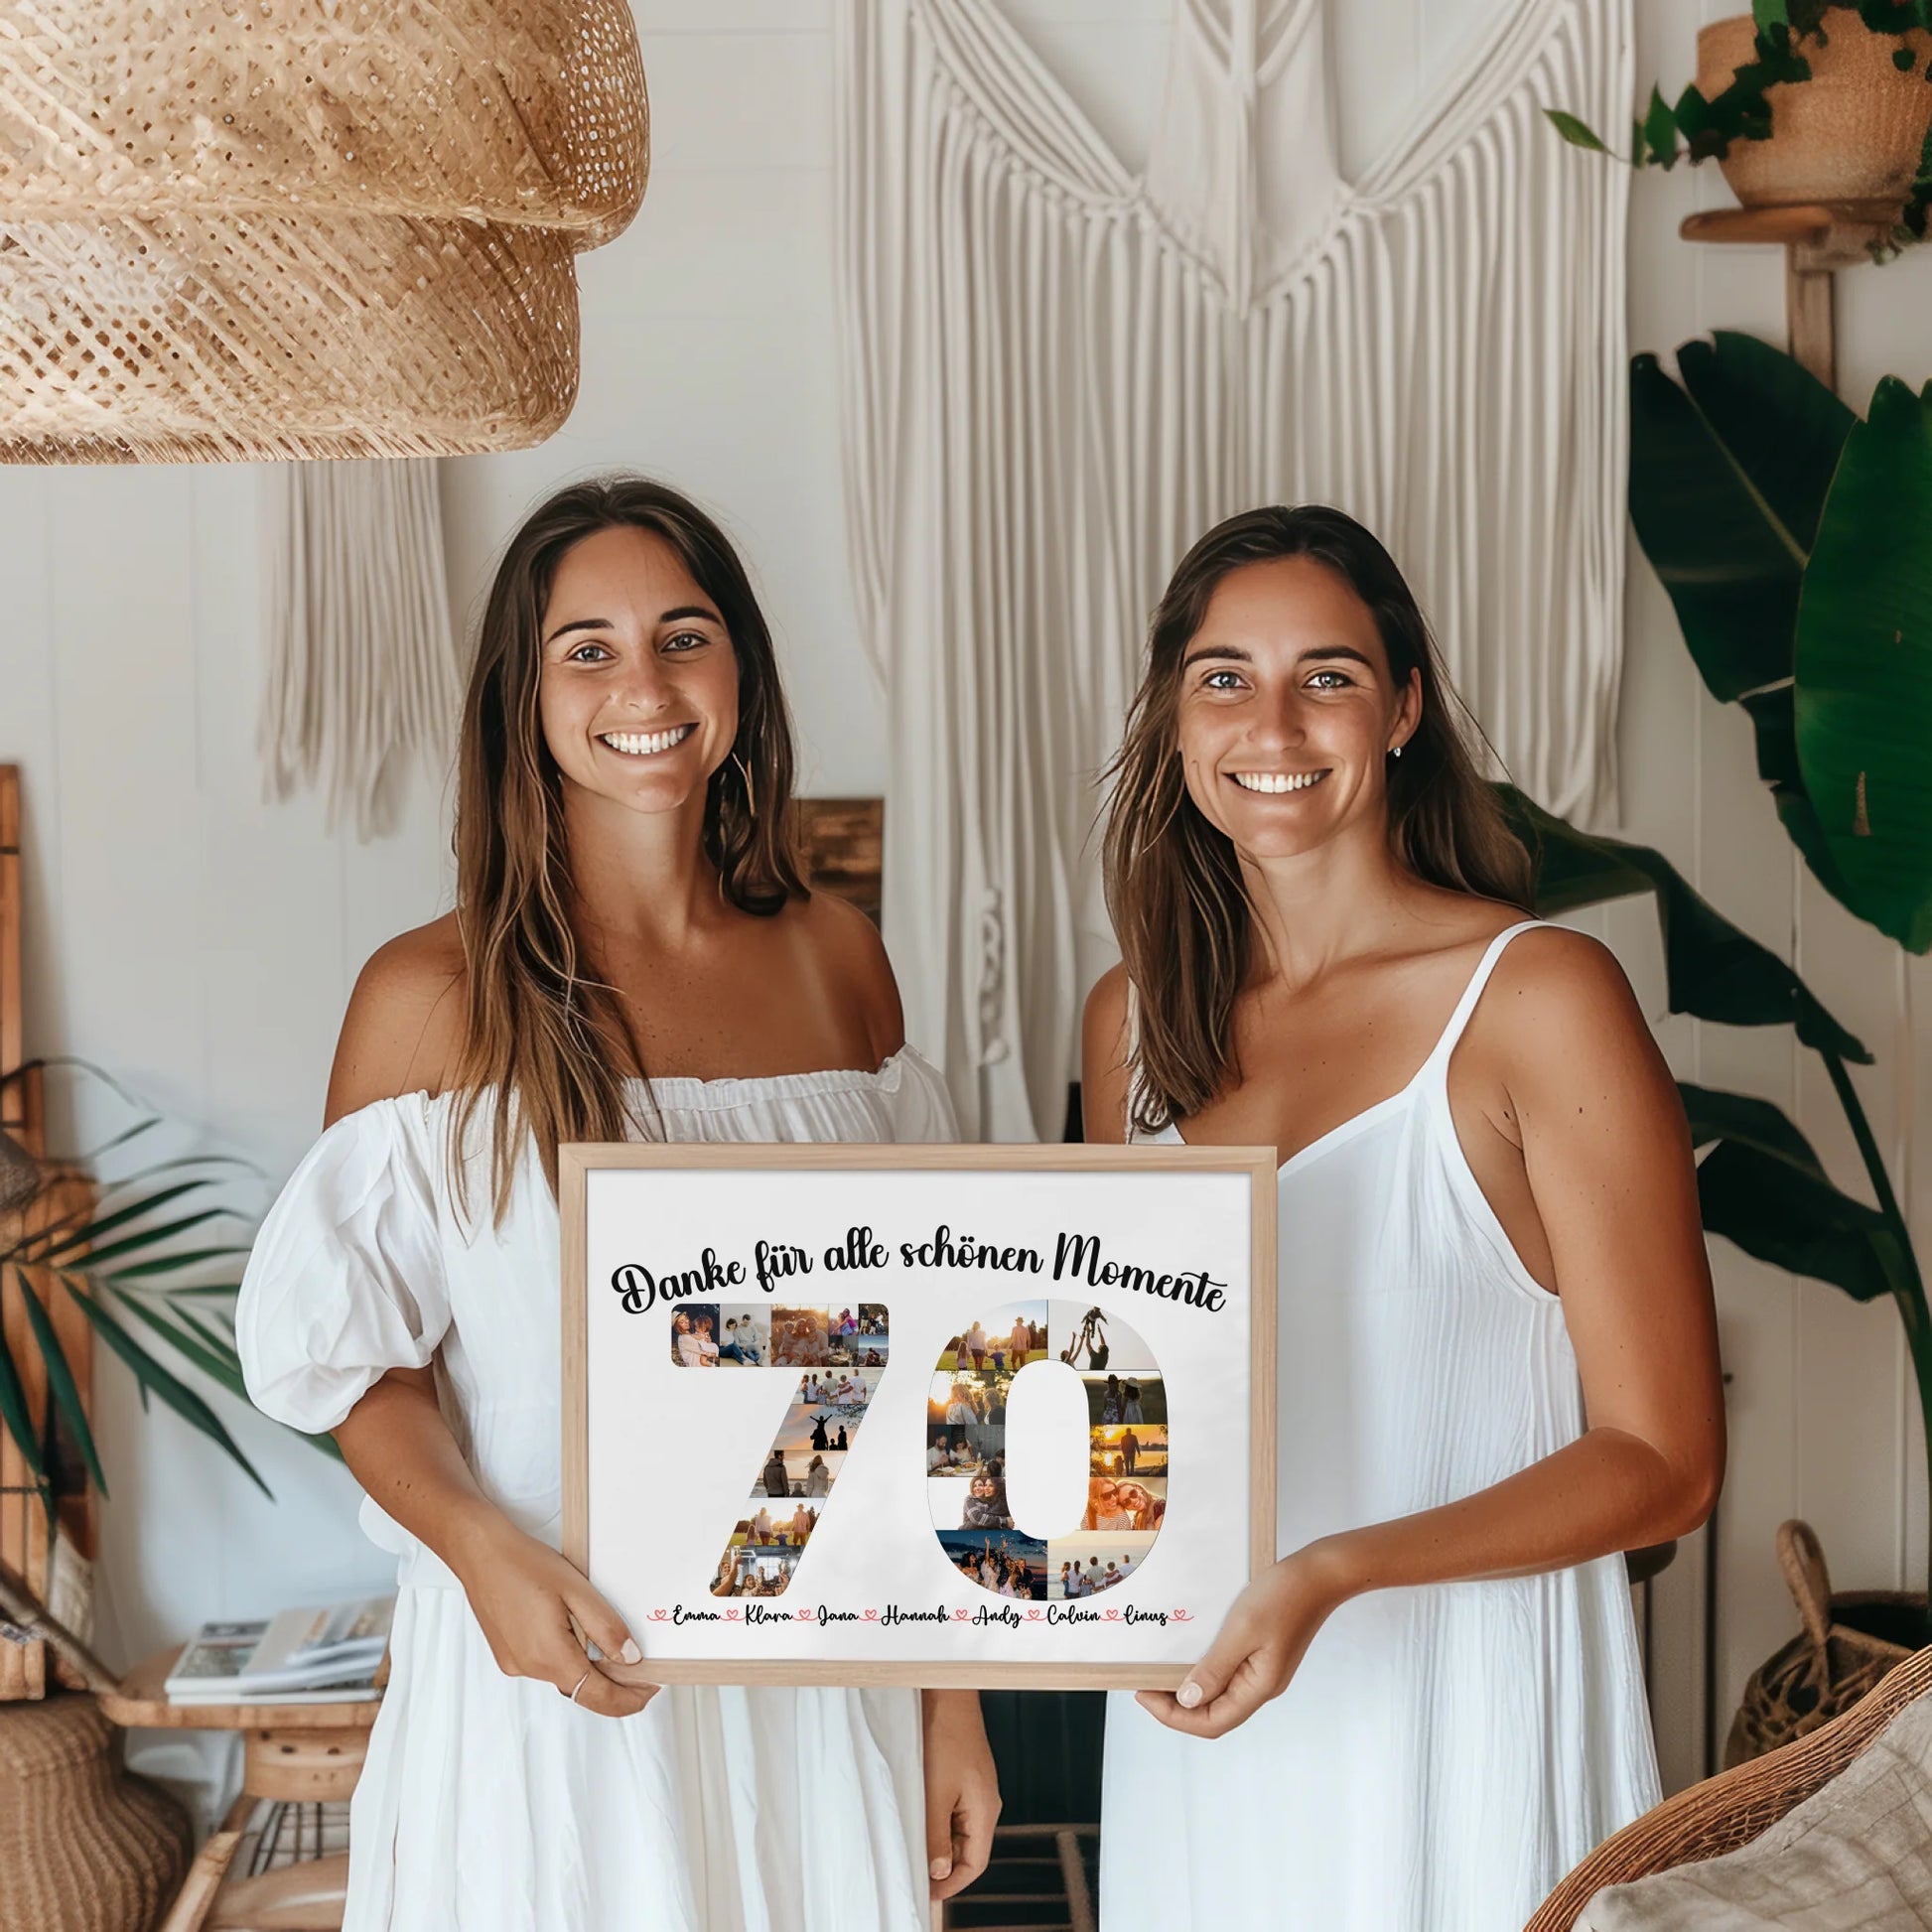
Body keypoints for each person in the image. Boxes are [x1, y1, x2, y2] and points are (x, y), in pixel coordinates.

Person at [236, 477, 998, 1930]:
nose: (643, 686)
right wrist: (481, 1553)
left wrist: (948, 1697)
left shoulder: (839, 959)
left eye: (682, 636)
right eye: (586, 649)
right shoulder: (430, 996)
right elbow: (359, 1364)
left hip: (821, 1666)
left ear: (740, 670)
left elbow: (923, 1348)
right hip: (553, 1678)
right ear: (521, 699)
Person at [1084, 504, 1723, 1931]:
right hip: (1200, 1723)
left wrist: (1335, 1573)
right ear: (1175, 717)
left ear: (1403, 709)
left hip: (1458, 1723)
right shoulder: (1129, 1024)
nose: (1272, 723)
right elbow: (1127, 1409)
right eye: (1224, 677)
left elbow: (1665, 1461)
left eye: (1327, 675)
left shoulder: (1539, 996)